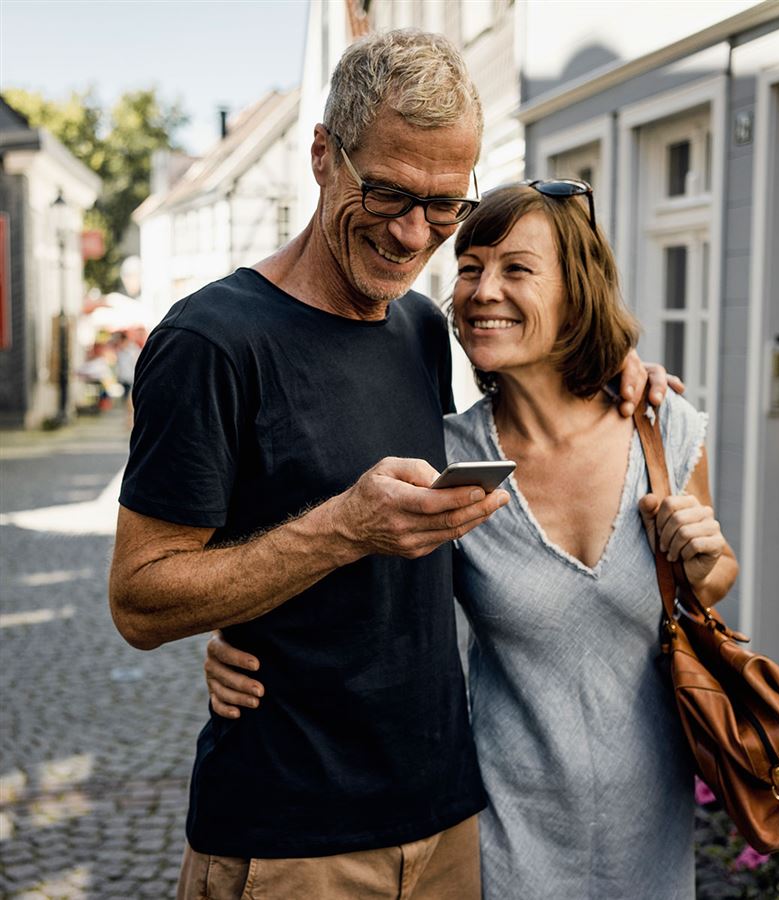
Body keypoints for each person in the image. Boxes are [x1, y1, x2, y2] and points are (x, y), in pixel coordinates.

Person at [109, 30, 672, 899]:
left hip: (445, 820)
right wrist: (339, 530)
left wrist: (621, 374)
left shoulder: (415, 327)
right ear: (323, 156)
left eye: (446, 206)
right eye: (388, 193)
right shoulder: (210, 341)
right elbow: (141, 600)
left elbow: (538, 365)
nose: (416, 235)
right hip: (291, 839)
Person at [206, 182, 737, 898]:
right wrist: (236, 642)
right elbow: (361, 594)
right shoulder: (447, 462)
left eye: (517, 269)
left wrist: (708, 560)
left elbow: (711, 584)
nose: (484, 290)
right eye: (469, 268)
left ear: (577, 290)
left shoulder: (662, 428)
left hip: (652, 825)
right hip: (498, 828)